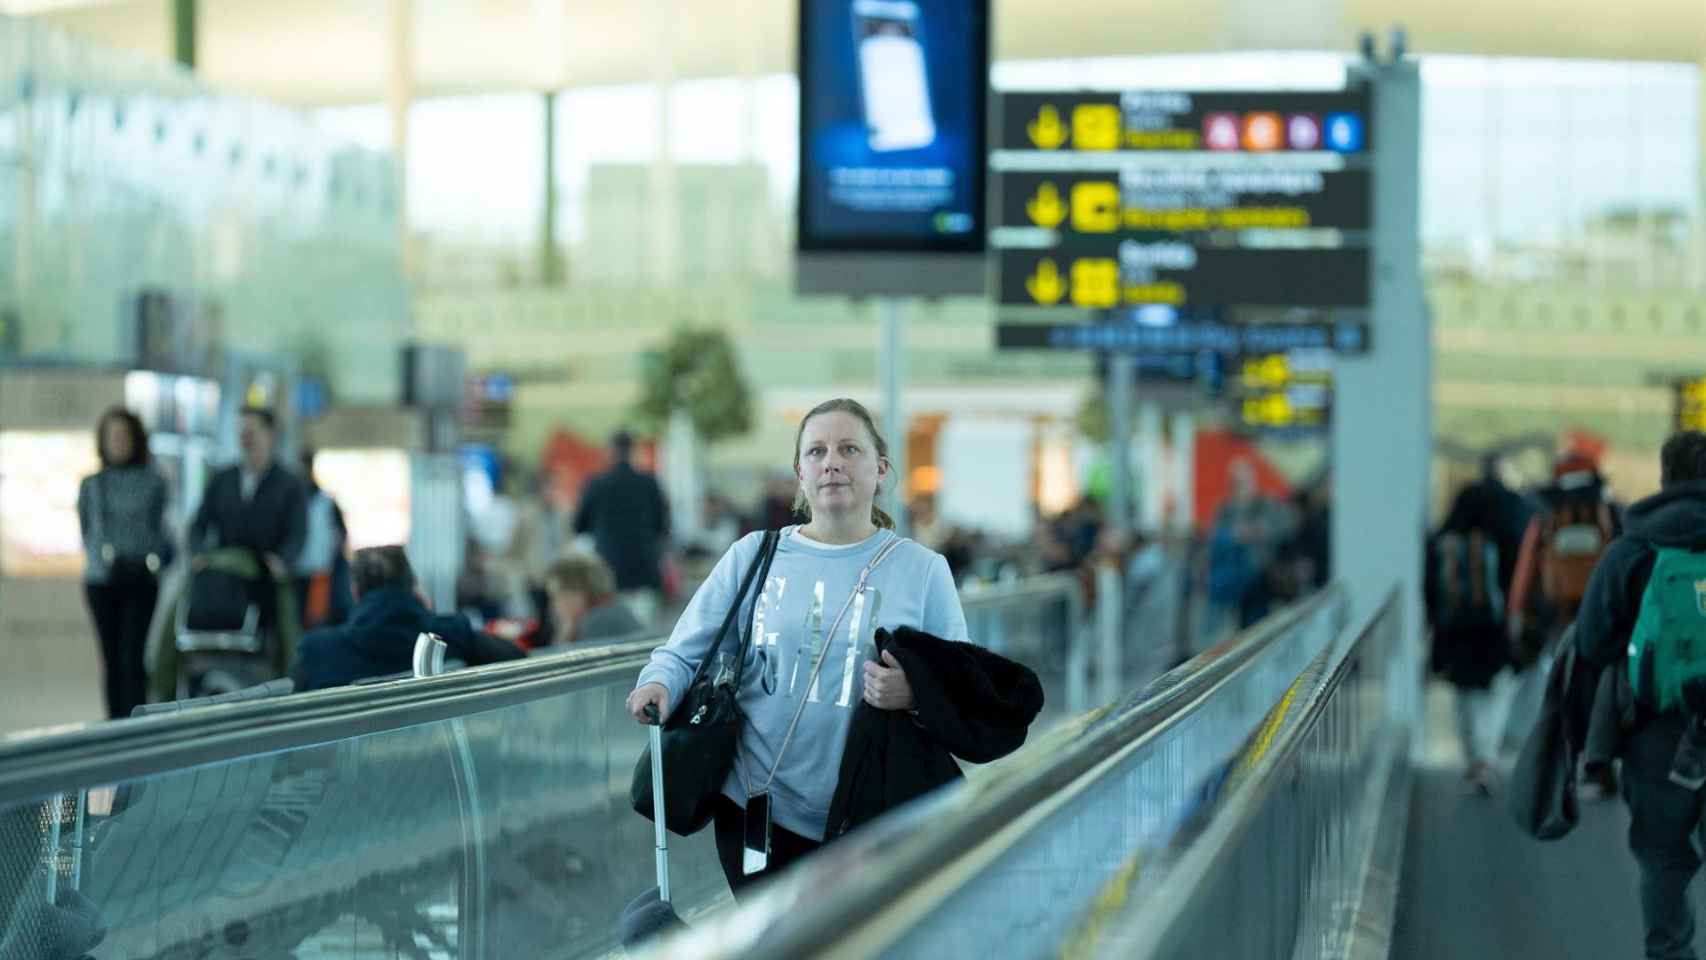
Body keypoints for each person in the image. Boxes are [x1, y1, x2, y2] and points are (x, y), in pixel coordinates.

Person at [626, 399, 997, 897]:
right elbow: (684, 648)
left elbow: (962, 690)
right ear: (801, 472)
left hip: (874, 813)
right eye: (817, 451)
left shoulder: (923, 570)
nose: (832, 462)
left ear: (880, 469)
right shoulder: (755, 554)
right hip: (755, 802)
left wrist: (914, 692)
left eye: (849, 449)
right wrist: (658, 683)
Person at [1572, 431, 1706, 960]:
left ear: (1665, 477)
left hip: (1656, 733)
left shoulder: (1632, 548)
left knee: (1664, 861)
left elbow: (1592, 642)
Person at [292, 546, 525, 691]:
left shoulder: (318, 651)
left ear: (355, 592)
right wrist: (428, 615)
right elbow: (518, 658)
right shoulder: (450, 636)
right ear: (413, 586)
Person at [77, 408, 172, 719]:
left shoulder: (154, 482)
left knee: (132, 655)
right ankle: (114, 727)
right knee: (111, 658)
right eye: (111, 436)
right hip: (102, 581)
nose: (117, 442)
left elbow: (162, 531)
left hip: (142, 579)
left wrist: (152, 559)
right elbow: (88, 531)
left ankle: (136, 727)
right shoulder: (92, 485)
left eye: (123, 435)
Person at [1426, 480, 1514, 795]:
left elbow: (1430, 591)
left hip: (1453, 631)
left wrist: (1432, 626)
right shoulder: (1499, 539)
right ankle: (1486, 757)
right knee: (1493, 694)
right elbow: (1508, 584)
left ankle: (1470, 755)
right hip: (1490, 629)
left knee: (1461, 694)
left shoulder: (1441, 541)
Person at [188, 406, 308, 627]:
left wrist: (282, 560)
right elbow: (198, 523)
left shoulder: (290, 484)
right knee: (185, 594)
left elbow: (298, 533)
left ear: (271, 435)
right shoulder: (222, 480)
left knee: (286, 623)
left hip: (267, 572)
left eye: (251, 433)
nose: (245, 439)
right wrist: (199, 553)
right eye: (241, 433)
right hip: (226, 569)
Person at [574, 431, 670, 625]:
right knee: (643, 634)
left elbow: (579, 526)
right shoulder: (650, 483)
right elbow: (663, 527)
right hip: (644, 570)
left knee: (612, 633)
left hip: (608, 572)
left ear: (610, 451)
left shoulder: (596, 484)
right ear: (632, 452)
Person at [293, 448, 351, 631]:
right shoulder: (292, 501)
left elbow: (342, 533)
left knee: (319, 618)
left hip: (321, 571)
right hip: (296, 570)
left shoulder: (326, 502)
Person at [541, 551, 645, 647]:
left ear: (576, 593)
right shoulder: (612, 606)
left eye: (557, 596)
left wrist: (566, 632)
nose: (554, 605)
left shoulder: (597, 622)